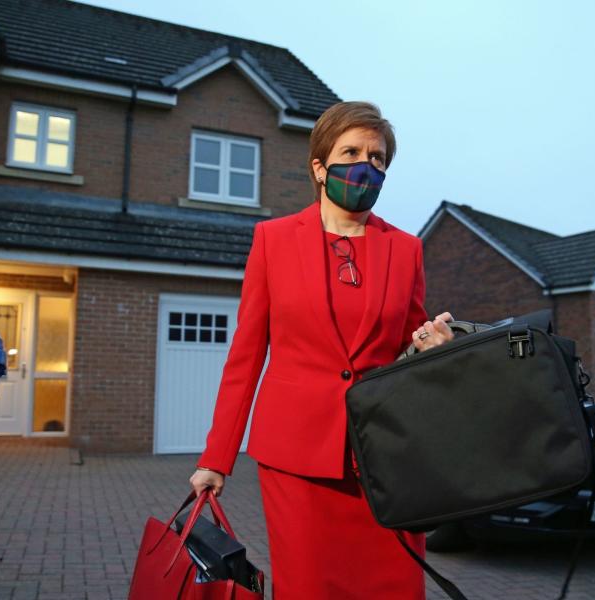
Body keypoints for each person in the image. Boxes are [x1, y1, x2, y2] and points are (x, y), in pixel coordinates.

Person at [189, 101, 455, 599]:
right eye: (352, 151)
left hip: (386, 458)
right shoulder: (272, 241)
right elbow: (245, 358)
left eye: (377, 158)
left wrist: (431, 347)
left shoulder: (407, 249)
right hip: (297, 460)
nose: (366, 164)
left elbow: (407, 344)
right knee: (309, 587)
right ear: (319, 166)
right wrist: (216, 458)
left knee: (394, 588)